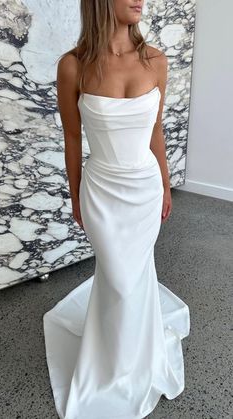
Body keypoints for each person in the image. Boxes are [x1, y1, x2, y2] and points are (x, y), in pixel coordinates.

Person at [43, 1, 190, 418]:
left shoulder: (156, 60)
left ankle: (135, 359)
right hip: (102, 191)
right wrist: (75, 195)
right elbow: (73, 138)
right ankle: (107, 362)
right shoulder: (73, 66)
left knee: (135, 274)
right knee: (118, 276)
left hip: (143, 189)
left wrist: (164, 185)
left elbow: (155, 132)